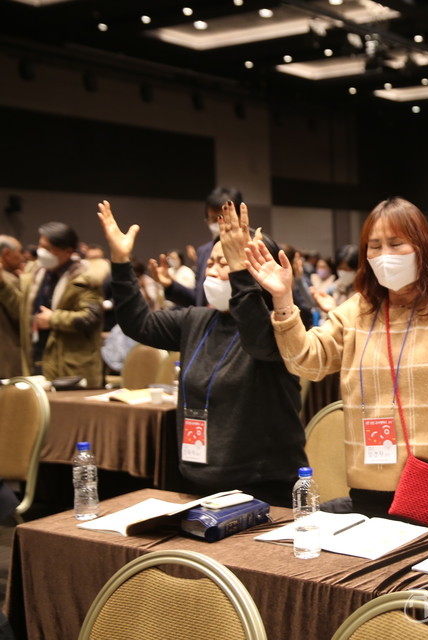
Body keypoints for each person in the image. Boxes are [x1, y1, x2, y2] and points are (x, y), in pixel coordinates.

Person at [241, 196, 428, 531]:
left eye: (395, 244)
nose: (384, 256)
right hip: (369, 490)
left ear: (421, 247)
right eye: (374, 247)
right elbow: (306, 361)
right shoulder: (357, 311)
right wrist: (282, 300)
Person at [97, 200, 307, 506]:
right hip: (199, 479)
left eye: (228, 263)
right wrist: (120, 262)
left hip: (263, 487)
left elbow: (258, 340)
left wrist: (240, 275)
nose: (213, 270)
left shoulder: (281, 327)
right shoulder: (197, 320)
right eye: (211, 262)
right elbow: (138, 323)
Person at [0, 222, 104, 386]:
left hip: (70, 365)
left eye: (48, 248)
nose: (41, 252)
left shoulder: (85, 278)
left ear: (67, 252)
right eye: (41, 246)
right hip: (37, 356)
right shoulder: (35, 274)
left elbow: (91, 318)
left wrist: (53, 319)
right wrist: (2, 285)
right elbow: (22, 310)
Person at [0, 235, 24, 378]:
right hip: (6, 358)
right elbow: (22, 314)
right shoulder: (8, 280)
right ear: (7, 253)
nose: (22, 257)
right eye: (19, 252)